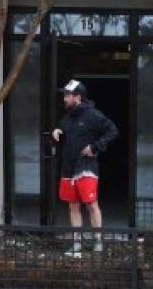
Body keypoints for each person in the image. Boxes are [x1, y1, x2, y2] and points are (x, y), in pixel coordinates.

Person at [51, 79, 119, 256]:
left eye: (67, 95)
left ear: (78, 97)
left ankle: (98, 241)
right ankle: (77, 244)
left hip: (86, 167)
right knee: (73, 206)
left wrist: (95, 147)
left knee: (91, 204)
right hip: (68, 168)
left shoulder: (93, 115)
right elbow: (63, 132)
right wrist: (57, 131)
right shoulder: (66, 116)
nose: (64, 98)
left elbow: (113, 131)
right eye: (64, 95)